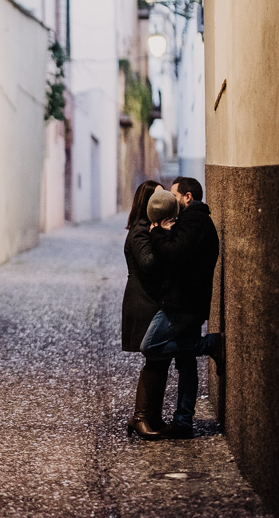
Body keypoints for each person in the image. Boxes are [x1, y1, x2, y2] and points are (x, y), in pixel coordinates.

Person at [140, 176, 224, 439]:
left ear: (188, 197)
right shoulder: (190, 221)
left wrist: (156, 232)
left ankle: (209, 345)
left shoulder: (195, 220)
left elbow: (175, 254)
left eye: (174, 195)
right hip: (190, 301)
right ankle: (184, 421)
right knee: (186, 364)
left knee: (150, 347)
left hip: (182, 304)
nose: (170, 201)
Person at [122, 180, 170, 440]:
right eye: (159, 198)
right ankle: (140, 417)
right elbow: (149, 263)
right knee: (154, 358)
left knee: (160, 359)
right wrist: (159, 234)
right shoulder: (141, 230)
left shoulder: (147, 228)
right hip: (143, 301)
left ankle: (153, 415)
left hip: (150, 299)